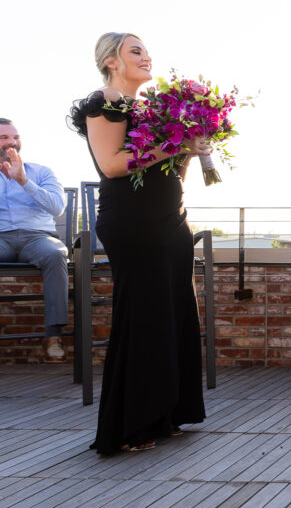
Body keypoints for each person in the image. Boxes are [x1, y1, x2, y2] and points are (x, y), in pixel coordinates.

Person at [67, 32, 208, 454]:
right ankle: (130, 425)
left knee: (175, 315)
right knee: (144, 316)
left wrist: (188, 150)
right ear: (111, 61)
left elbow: (169, 173)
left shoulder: (154, 109)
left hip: (170, 220)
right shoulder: (104, 102)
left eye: (146, 51)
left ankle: (166, 414)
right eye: (136, 51)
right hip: (132, 223)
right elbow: (111, 165)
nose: (147, 57)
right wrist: (173, 144)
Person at [0, 119, 69, 358]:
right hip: (1, 239)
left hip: (37, 239)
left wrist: (24, 182)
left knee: (56, 254)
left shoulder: (41, 172)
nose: (12, 142)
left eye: (15, 137)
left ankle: (53, 335)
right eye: (4, 138)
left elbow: (57, 207)